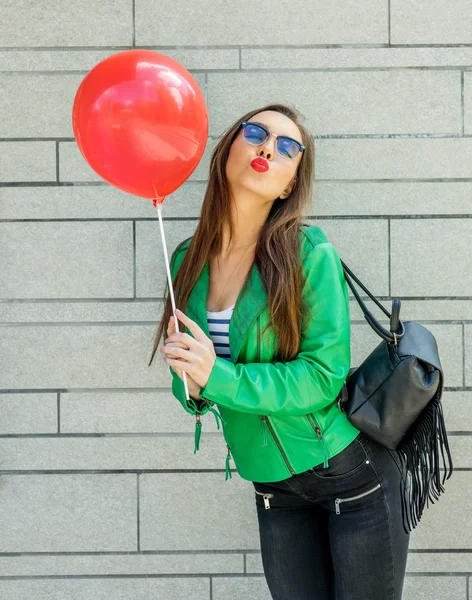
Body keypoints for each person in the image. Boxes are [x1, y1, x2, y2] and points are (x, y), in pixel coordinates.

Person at [147, 103, 410, 600]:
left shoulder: (309, 253)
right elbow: (193, 392)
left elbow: (322, 377)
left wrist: (217, 376)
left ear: (289, 184)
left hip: (351, 481)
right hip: (274, 490)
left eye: (288, 147)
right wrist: (193, 384)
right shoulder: (185, 259)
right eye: (255, 133)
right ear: (227, 150)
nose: (268, 147)